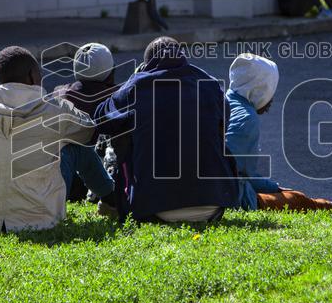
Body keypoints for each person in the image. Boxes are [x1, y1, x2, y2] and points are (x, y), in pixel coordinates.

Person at [0, 46, 117, 232]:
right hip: (38, 217)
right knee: (76, 147)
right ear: (32, 76)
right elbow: (88, 132)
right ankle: (112, 200)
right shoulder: (55, 109)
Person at [95, 36, 238, 222]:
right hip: (214, 206)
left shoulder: (136, 86)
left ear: (146, 65)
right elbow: (224, 121)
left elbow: (101, 117)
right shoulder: (210, 85)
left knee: (123, 132)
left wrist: (133, 79)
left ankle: (124, 200)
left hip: (155, 210)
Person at [225, 53, 332, 213]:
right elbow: (242, 173)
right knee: (296, 199)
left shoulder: (224, 101)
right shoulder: (246, 119)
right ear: (260, 88)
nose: (272, 99)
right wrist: (275, 188)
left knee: (290, 196)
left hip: (215, 190)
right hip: (231, 198)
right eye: (271, 89)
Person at [54, 42, 120, 202]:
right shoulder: (116, 98)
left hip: (62, 174)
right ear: (111, 73)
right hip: (89, 173)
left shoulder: (60, 93)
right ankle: (109, 197)